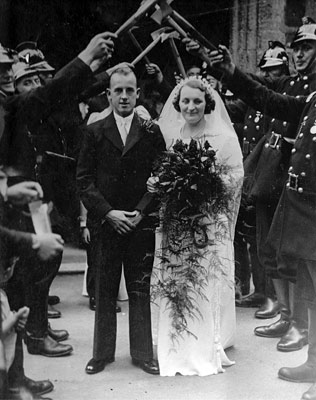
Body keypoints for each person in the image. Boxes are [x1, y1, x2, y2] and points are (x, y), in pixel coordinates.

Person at [204, 29, 316, 400]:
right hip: (302, 205)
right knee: (306, 281)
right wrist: (231, 74)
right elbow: (271, 101)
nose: (301, 55)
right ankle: (314, 360)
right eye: (297, 48)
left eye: (308, 48)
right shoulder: (312, 96)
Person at [0, 31, 116, 363]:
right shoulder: (12, 105)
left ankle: (36, 330)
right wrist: (86, 54)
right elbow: (51, 93)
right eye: (4, 71)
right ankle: (34, 333)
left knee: (45, 259)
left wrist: (95, 62)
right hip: (15, 197)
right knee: (33, 265)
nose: (9, 76)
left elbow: (62, 91)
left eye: (10, 68)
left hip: (29, 193)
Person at [147, 76, 243, 376]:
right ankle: (174, 343)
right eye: (186, 101)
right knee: (174, 279)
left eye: (197, 101)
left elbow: (235, 177)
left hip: (206, 221)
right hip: (176, 221)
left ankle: (202, 344)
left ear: (207, 104)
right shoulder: (170, 135)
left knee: (202, 279)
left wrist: (207, 188)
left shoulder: (223, 138)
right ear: (178, 104)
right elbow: (160, 171)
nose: (191, 107)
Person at [77, 65, 166, 375]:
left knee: (139, 289)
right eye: (118, 90)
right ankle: (102, 353)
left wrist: (140, 211)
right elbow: (84, 180)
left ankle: (142, 353)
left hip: (139, 222)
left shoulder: (151, 131)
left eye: (130, 90)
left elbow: (161, 175)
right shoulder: (94, 131)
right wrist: (109, 213)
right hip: (106, 223)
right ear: (109, 94)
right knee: (105, 289)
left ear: (137, 93)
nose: (125, 96)